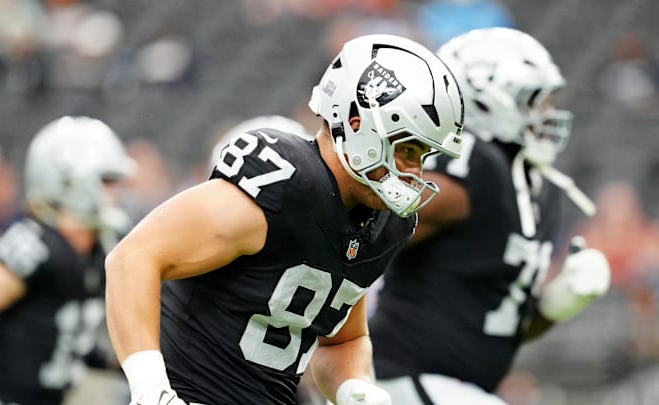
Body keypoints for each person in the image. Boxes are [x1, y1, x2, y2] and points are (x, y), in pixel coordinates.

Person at [104, 33, 465, 405]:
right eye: (407, 149)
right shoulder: (284, 182)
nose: (415, 173)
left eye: (422, 156)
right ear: (357, 124)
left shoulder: (384, 225)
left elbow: (344, 339)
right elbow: (133, 259)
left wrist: (353, 388)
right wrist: (151, 390)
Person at [368, 27, 611, 404]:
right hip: (400, 376)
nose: (546, 114)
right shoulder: (474, 162)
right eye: (534, 101)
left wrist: (554, 305)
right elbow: (369, 227)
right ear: (484, 99)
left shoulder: (538, 189)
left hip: (450, 386)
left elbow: (498, 322)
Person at [0, 115, 135, 405]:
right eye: (106, 181)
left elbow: (64, 335)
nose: (116, 192)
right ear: (68, 180)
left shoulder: (99, 248)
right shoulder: (36, 244)